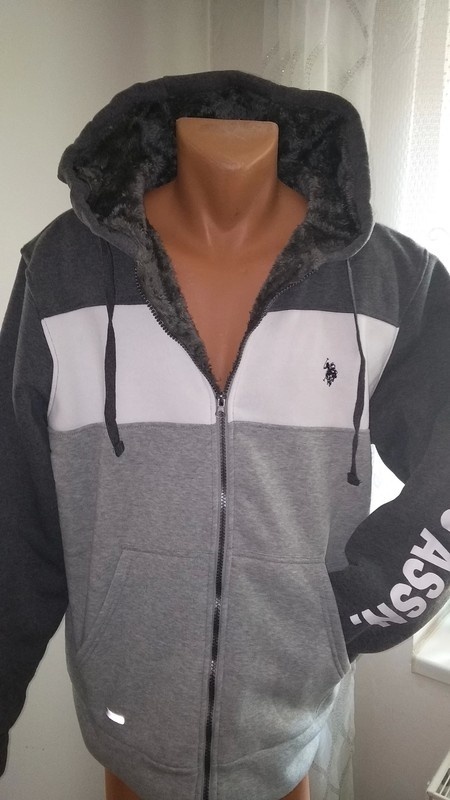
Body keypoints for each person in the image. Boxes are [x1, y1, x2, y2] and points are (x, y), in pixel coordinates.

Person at [1, 70, 450, 800]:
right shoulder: (62, 274)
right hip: (127, 733)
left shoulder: (390, 282)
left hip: (286, 736)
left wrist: (365, 603)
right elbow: (12, 516)